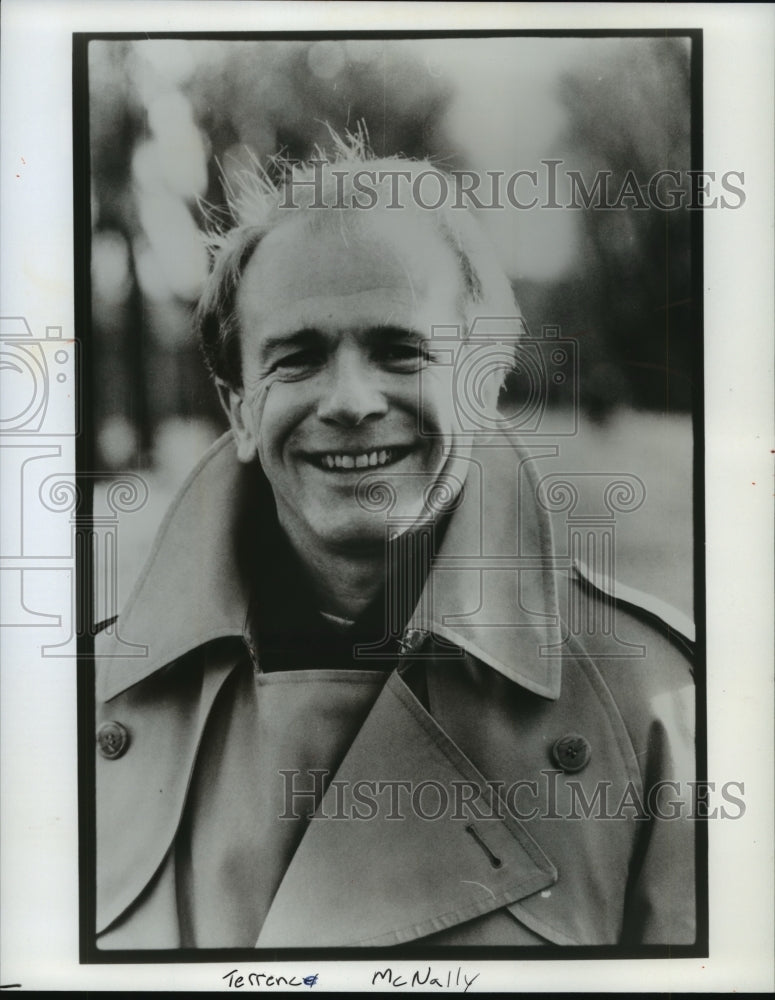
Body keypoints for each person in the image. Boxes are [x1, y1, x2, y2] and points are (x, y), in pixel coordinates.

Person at [94, 142, 696, 950]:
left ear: (482, 385)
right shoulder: (73, 707)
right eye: (297, 358)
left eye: (399, 350)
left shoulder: (651, 706)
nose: (348, 401)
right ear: (239, 410)